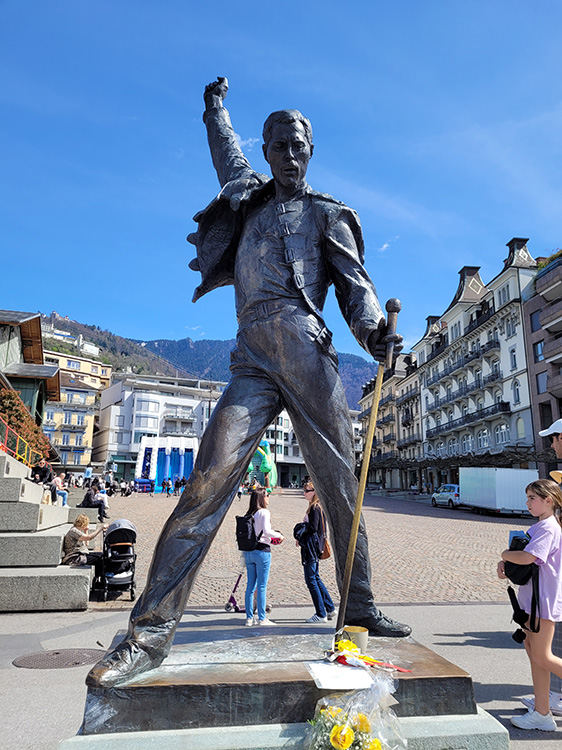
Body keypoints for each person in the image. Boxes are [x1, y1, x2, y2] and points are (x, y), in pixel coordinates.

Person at [86, 77, 409, 689]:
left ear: (311, 150)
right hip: (251, 359)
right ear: (267, 151)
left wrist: (375, 336)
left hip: (309, 353)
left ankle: (358, 607)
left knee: (342, 488)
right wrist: (214, 110)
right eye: (279, 146)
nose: (289, 155)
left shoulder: (328, 214)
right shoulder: (247, 198)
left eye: (298, 146)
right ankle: (147, 636)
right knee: (205, 486)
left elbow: (356, 289)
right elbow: (224, 150)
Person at [497, 479, 562, 731]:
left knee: (542, 656)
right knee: (534, 654)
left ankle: (543, 713)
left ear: (549, 500)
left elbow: (530, 557)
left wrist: (504, 555)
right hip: (533, 602)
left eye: (532, 497)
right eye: (527, 497)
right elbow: (526, 561)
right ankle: (542, 712)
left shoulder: (547, 528)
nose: (527, 502)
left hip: (542, 603)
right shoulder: (540, 526)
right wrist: (506, 563)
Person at [242, 488, 284, 626]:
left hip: (249, 551)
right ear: (261, 497)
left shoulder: (250, 513)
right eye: (267, 495)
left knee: (250, 586)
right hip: (262, 551)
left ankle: (249, 618)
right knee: (261, 586)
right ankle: (262, 618)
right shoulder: (264, 512)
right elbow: (266, 531)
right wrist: (278, 535)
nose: (268, 497)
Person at [295, 481, 336, 623]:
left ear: (314, 492)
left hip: (311, 548)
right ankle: (329, 608)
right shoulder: (316, 507)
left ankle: (320, 613)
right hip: (315, 547)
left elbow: (312, 528)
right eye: (304, 490)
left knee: (311, 579)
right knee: (316, 577)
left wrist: (301, 534)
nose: (304, 493)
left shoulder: (314, 508)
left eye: (307, 491)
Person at [62, 514, 107, 579]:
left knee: (102, 554)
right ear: (83, 524)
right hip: (74, 558)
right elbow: (89, 538)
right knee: (99, 558)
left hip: (81, 554)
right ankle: (98, 579)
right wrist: (100, 529)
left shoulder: (78, 531)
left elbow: (87, 544)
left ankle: (99, 577)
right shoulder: (74, 531)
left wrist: (86, 531)